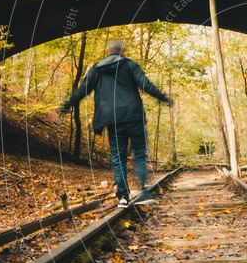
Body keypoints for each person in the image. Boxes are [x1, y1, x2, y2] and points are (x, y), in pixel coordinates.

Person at [59, 39, 173, 207]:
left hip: (112, 120)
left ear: (109, 51)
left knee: (118, 159)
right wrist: (166, 100)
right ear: (122, 51)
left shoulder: (97, 69)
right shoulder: (130, 65)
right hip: (133, 117)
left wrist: (63, 108)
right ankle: (142, 190)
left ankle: (123, 197)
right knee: (140, 154)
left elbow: (82, 91)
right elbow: (145, 85)